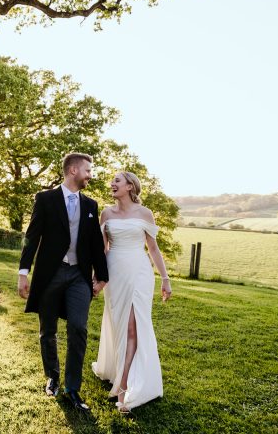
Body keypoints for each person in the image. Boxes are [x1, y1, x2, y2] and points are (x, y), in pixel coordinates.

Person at [18, 153, 108, 413]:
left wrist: (101, 278)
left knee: (78, 328)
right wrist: (23, 273)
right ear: (72, 170)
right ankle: (53, 377)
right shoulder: (45, 199)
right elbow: (31, 237)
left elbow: (95, 245)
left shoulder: (91, 205)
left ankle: (72, 388)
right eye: (87, 170)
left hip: (79, 276)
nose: (90, 175)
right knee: (48, 330)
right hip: (51, 274)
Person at [91, 171, 172, 413]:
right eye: (112, 181)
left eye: (117, 180)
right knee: (118, 323)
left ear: (129, 186)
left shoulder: (145, 213)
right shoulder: (106, 213)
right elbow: (102, 250)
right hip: (115, 274)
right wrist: (97, 277)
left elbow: (153, 249)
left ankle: (125, 387)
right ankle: (117, 370)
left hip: (139, 272)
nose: (112, 183)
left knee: (133, 327)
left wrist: (165, 279)